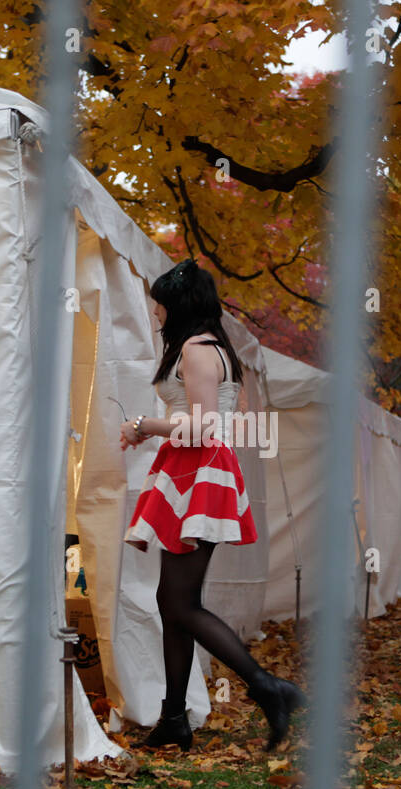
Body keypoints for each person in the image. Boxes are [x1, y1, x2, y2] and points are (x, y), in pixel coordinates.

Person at [120, 259, 303, 752]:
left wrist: (143, 425)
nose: (156, 313)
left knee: (180, 602)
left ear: (179, 305)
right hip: (190, 469)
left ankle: (267, 686)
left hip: (199, 468)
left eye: (160, 304)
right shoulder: (206, 348)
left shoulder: (199, 351)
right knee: (170, 601)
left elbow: (202, 427)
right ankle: (175, 718)